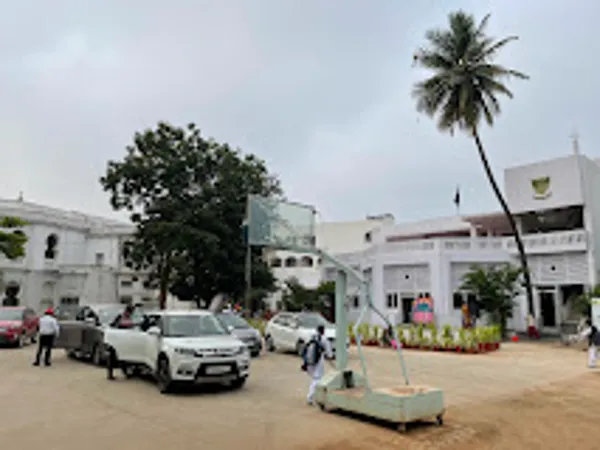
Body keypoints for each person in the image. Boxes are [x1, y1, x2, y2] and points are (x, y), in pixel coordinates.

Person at [302, 324, 333, 406]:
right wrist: (330, 357)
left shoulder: (312, 337)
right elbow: (329, 353)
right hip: (318, 362)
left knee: (315, 379)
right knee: (317, 379)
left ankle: (314, 396)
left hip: (310, 362)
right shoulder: (324, 339)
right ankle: (310, 398)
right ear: (323, 330)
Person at [106, 304, 136, 380]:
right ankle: (110, 374)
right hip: (116, 339)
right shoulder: (120, 317)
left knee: (123, 356)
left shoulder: (130, 318)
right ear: (127, 311)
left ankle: (125, 372)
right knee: (112, 356)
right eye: (131, 312)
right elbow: (114, 325)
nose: (131, 314)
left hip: (125, 340)